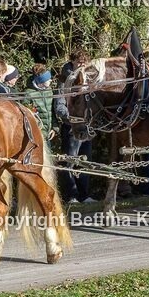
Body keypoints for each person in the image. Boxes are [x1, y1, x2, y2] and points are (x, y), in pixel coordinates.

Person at [53, 50, 95, 204]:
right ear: (72, 62)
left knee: (85, 160)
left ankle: (85, 194)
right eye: (78, 63)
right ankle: (71, 195)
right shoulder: (66, 79)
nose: (81, 66)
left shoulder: (88, 78)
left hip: (87, 126)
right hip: (71, 126)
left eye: (84, 64)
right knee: (70, 161)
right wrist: (72, 118)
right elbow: (59, 105)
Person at [28, 64, 54, 144]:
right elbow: (29, 116)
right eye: (48, 79)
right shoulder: (29, 94)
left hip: (49, 133)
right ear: (41, 80)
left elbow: (52, 111)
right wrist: (38, 132)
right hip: (37, 134)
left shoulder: (49, 91)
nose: (51, 80)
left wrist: (54, 128)